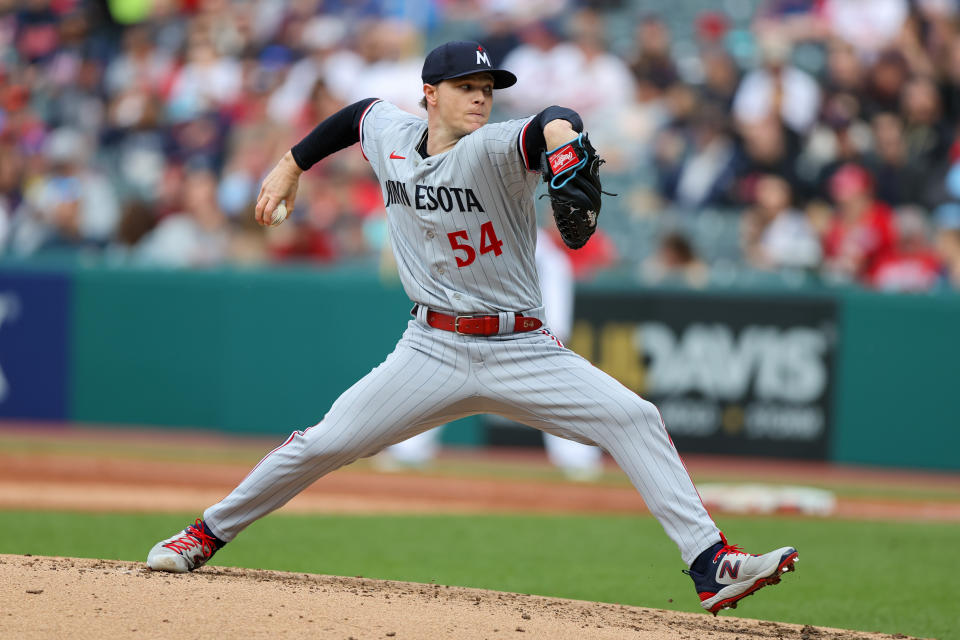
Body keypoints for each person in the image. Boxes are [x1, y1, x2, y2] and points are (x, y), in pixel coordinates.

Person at [145, 40, 798, 615]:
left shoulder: (491, 147)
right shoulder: (393, 134)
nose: (481, 100)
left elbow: (547, 122)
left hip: (521, 347)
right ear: (429, 95)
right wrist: (289, 165)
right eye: (467, 89)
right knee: (322, 442)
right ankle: (205, 534)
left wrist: (565, 140)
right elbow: (354, 117)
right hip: (430, 348)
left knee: (633, 417)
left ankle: (709, 564)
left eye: (487, 90)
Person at [376, 226, 605, 482]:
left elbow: (555, 282)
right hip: (479, 324)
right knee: (435, 377)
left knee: (557, 389)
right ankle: (409, 450)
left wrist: (554, 329)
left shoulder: (539, 246)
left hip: (526, 330)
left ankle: (579, 459)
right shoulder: (476, 228)